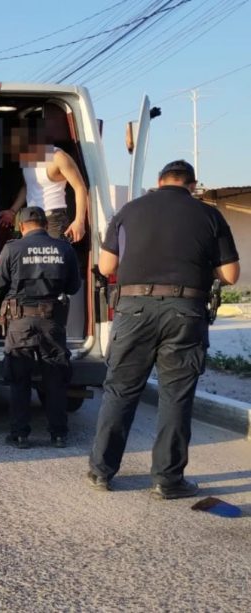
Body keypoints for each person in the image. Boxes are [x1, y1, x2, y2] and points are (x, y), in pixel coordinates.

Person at [87, 160, 240, 499]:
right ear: (193, 185)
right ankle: (167, 481)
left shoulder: (129, 210)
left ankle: (101, 471)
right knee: (176, 396)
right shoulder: (209, 215)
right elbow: (230, 275)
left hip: (134, 309)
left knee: (121, 391)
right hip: (185, 311)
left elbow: (106, 265)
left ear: (159, 182)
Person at [0, 206, 81, 449]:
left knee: (19, 379)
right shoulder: (65, 249)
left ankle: (20, 435)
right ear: (44, 223)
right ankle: (59, 435)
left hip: (20, 322)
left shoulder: (12, 248)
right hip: (52, 321)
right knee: (55, 379)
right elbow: (73, 287)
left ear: (21, 226)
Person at [0, 120, 89, 242]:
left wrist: (79, 221)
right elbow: (27, 187)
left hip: (53, 219)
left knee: (52, 260)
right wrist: (12, 211)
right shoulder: (26, 159)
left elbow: (80, 188)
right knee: (31, 260)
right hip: (30, 218)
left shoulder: (58, 157)